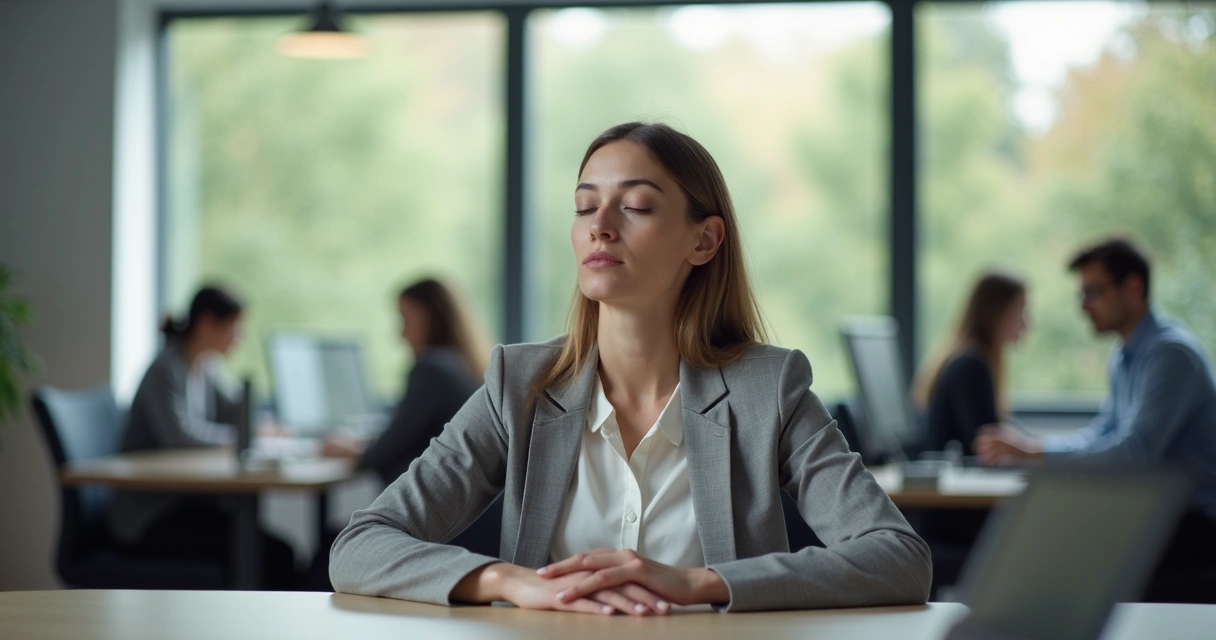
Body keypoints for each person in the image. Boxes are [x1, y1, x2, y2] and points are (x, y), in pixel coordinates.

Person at [328, 122, 931, 614]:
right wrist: (509, 582)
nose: (601, 224)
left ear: (705, 241)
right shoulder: (519, 385)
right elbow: (360, 546)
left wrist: (702, 583)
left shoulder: (768, 390)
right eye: (585, 205)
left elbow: (898, 556)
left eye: (636, 205)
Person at [975, 238, 1216, 603]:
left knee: (1056, 552)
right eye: (1081, 295)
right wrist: (1033, 450)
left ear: (1132, 288)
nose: (1084, 306)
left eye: (1093, 292)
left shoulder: (1170, 354)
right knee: (1045, 538)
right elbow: (1103, 433)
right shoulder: (1125, 355)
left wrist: (1035, 454)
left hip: (1195, 525)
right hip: (1161, 517)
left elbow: (1135, 454)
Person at [110, 286, 297, 589]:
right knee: (272, 555)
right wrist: (241, 437)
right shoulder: (166, 370)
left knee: (275, 551)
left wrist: (260, 423)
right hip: (150, 515)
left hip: (186, 505)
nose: (239, 336)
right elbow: (180, 437)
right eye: (234, 326)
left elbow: (236, 410)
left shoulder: (204, 366)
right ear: (208, 322)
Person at [325, 278, 487, 485]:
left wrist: (351, 450)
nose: (401, 333)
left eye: (406, 319)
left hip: (442, 511)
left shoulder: (432, 370)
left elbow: (382, 453)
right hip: (471, 506)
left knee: (345, 520)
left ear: (432, 319)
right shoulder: (461, 365)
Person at [913, 271, 1028, 456]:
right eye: (1020, 310)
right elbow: (984, 447)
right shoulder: (970, 366)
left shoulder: (972, 359)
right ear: (996, 312)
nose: (1026, 323)